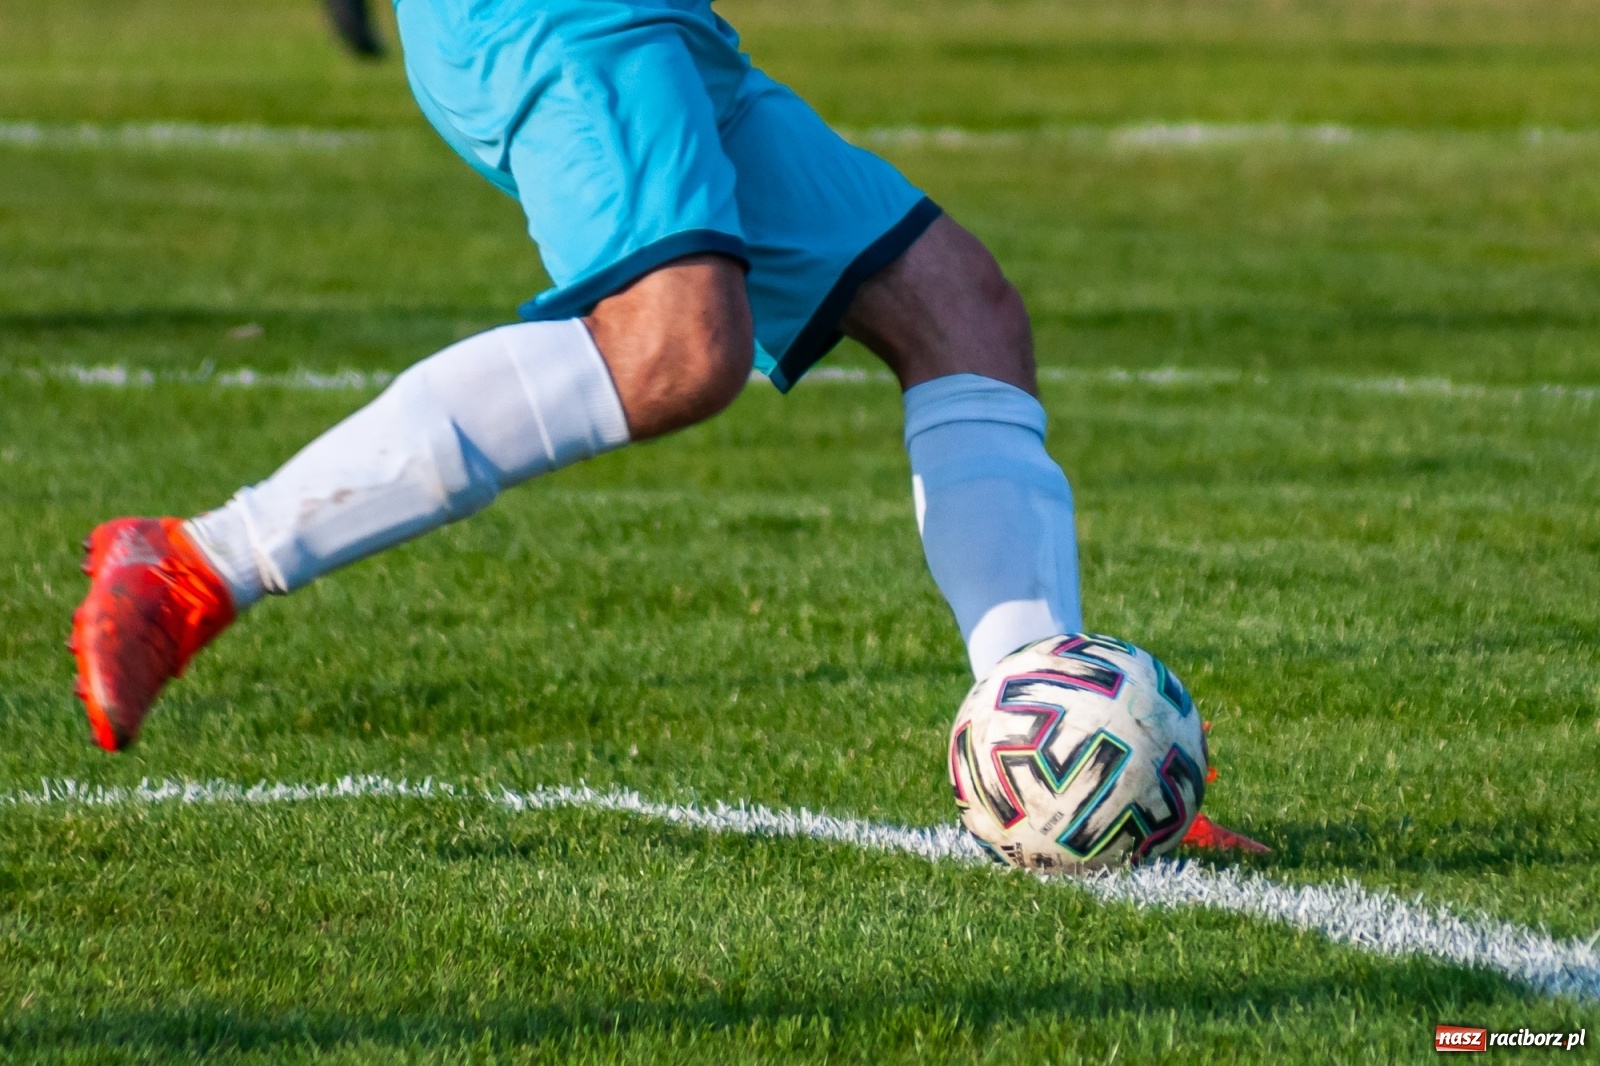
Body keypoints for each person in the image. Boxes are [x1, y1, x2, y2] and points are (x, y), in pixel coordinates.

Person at [69, 0, 1259, 852]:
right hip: (554, 13)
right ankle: (193, 563)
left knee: (959, 310)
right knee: (676, 345)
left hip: (661, 20)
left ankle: (1062, 762)